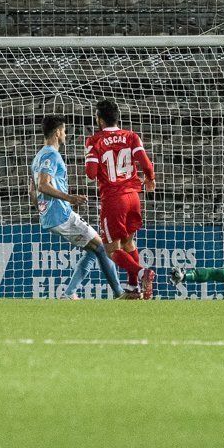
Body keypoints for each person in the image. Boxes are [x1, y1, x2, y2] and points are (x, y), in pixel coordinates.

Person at [30, 115, 123, 299]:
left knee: (93, 249)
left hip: (51, 215)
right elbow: (42, 185)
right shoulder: (51, 155)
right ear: (57, 132)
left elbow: (32, 190)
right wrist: (70, 198)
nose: (65, 134)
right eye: (64, 130)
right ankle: (119, 293)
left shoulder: (38, 157)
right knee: (102, 247)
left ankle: (69, 294)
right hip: (61, 214)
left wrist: (41, 210)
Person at [85, 99, 156, 299]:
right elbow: (147, 164)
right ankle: (133, 289)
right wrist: (150, 179)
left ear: (99, 120)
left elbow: (90, 173)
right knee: (128, 243)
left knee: (111, 249)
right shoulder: (131, 136)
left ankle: (143, 273)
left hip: (114, 199)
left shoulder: (94, 140)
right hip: (134, 196)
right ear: (117, 118)